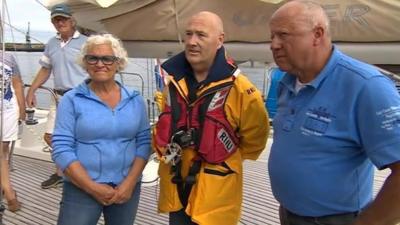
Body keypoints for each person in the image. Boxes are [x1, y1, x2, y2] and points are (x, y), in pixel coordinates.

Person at [268, 1, 400, 225]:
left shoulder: (366, 86)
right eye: (272, 36)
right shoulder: (286, 82)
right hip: (289, 214)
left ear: (317, 34)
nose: (273, 45)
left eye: (283, 35)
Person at [153, 11, 270, 225]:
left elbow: (255, 141)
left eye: (201, 35)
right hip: (177, 189)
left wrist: (220, 151)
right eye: (188, 34)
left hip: (215, 197)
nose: (191, 42)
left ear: (220, 40)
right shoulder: (172, 84)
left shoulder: (241, 89)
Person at [51, 33, 151, 225]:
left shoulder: (135, 99)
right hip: (81, 188)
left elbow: (144, 143)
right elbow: (62, 148)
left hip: (126, 188)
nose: (99, 64)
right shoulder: (71, 100)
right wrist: (91, 187)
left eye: (107, 58)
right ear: (85, 62)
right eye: (93, 58)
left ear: (117, 62)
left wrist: (129, 183)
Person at [25, 3, 88, 189]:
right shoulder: (52, 43)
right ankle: (68, 171)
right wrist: (32, 90)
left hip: (80, 97)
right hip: (58, 96)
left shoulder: (85, 42)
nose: (60, 23)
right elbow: (46, 69)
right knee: (50, 136)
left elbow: (96, 69)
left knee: (81, 137)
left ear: (72, 20)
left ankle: (68, 172)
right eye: (56, 20)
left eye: (63, 19)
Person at [0, 50, 25, 212]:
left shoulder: (7, 57)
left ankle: (6, 188)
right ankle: (9, 192)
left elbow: (17, 83)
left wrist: (22, 108)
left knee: (3, 149)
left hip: (8, 109)